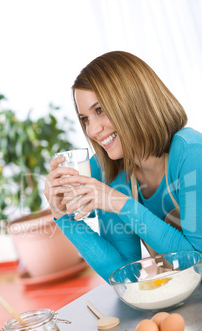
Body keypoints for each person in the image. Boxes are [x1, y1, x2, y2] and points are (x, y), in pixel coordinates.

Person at [44, 51, 202, 283]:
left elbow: (197, 262)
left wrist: (118, 202)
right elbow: (125, 275)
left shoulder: (190, 152)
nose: (92, 130)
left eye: (100, 110)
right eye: (85, 119)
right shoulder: (109, 171)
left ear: (133, 102)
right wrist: (63, 217)